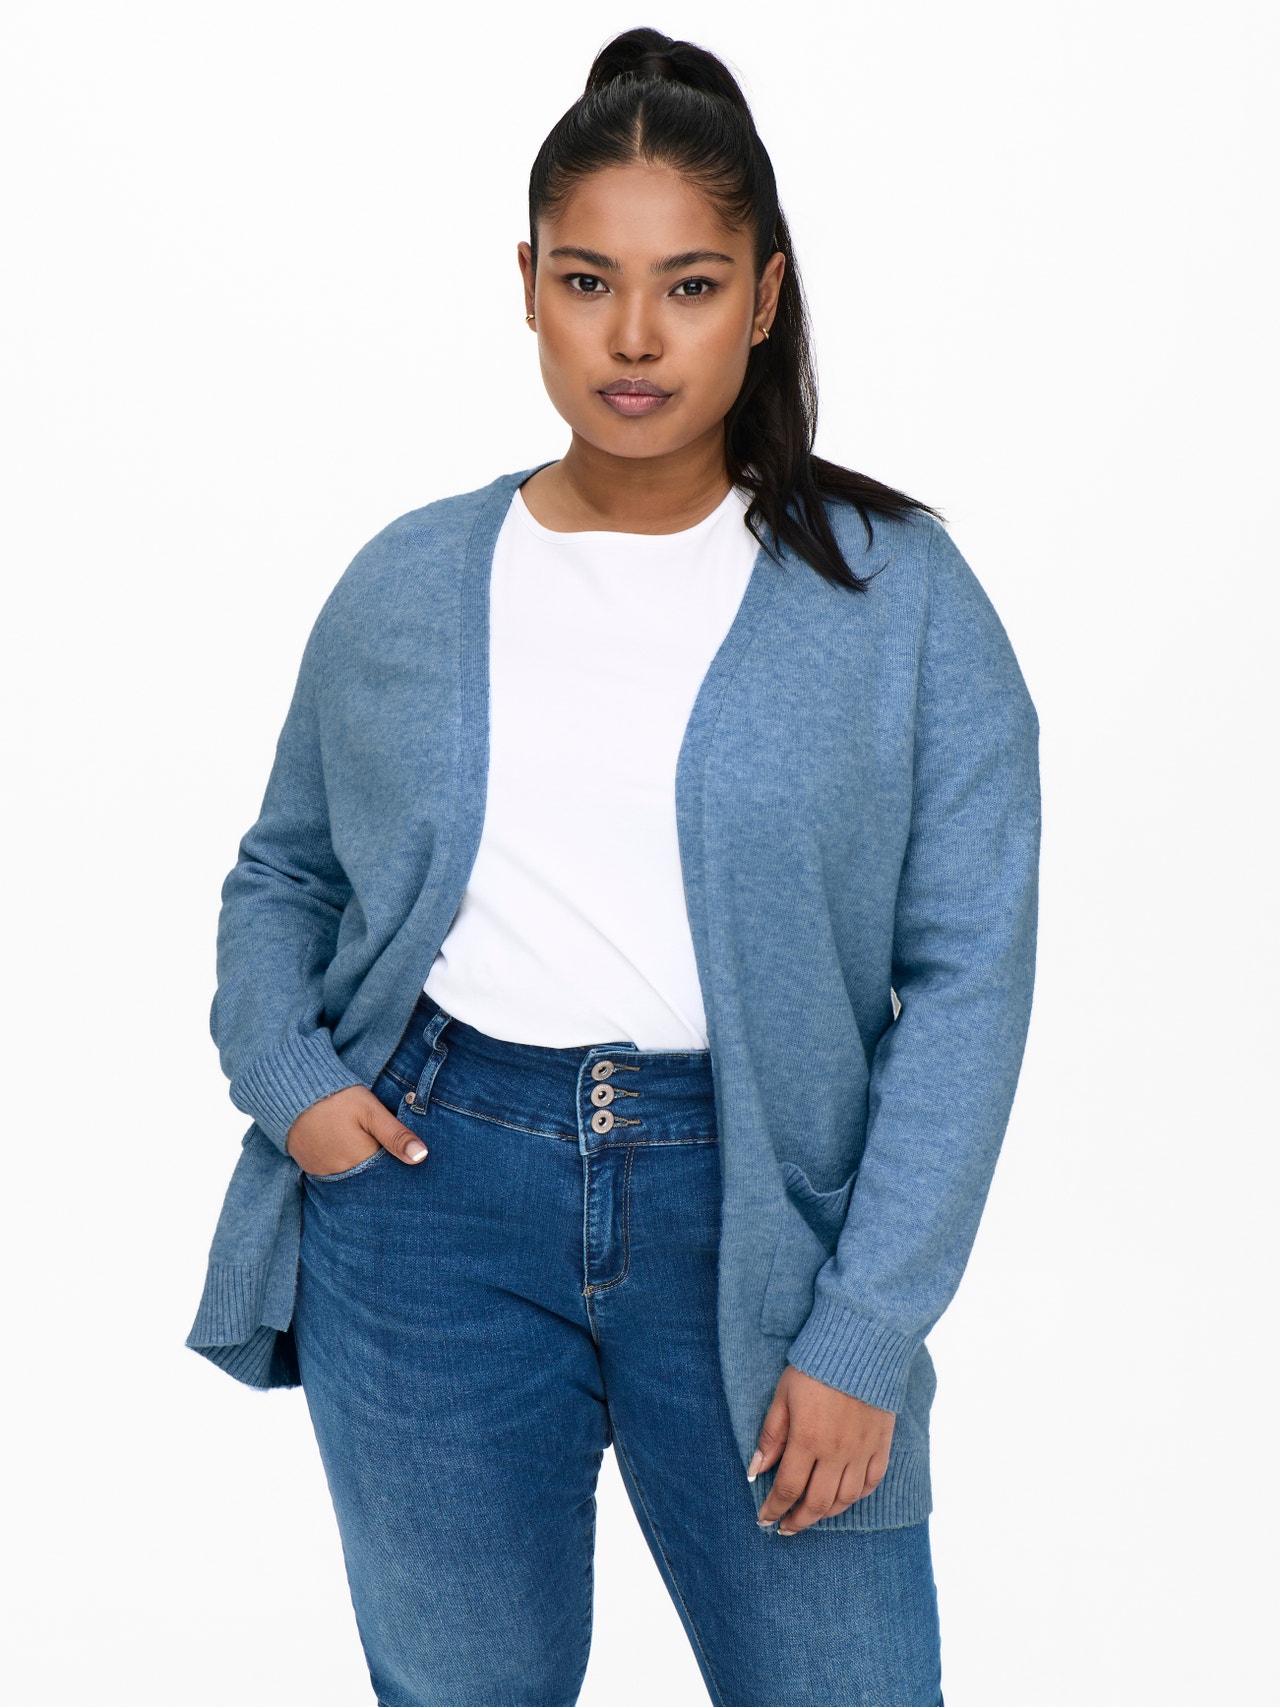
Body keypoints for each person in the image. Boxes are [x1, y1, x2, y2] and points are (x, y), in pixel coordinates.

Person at [187, 26, 1040, 1707]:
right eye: (588, 282)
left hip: (759, 1217)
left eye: (690, 286)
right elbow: (284, 872)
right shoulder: (410, 579)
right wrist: (289, 1077)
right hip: (430, 1200)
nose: (635, 338)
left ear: (765, 297)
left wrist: (864, 1329)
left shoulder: (899, 598)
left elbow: (969, 980)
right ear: (527, 286)